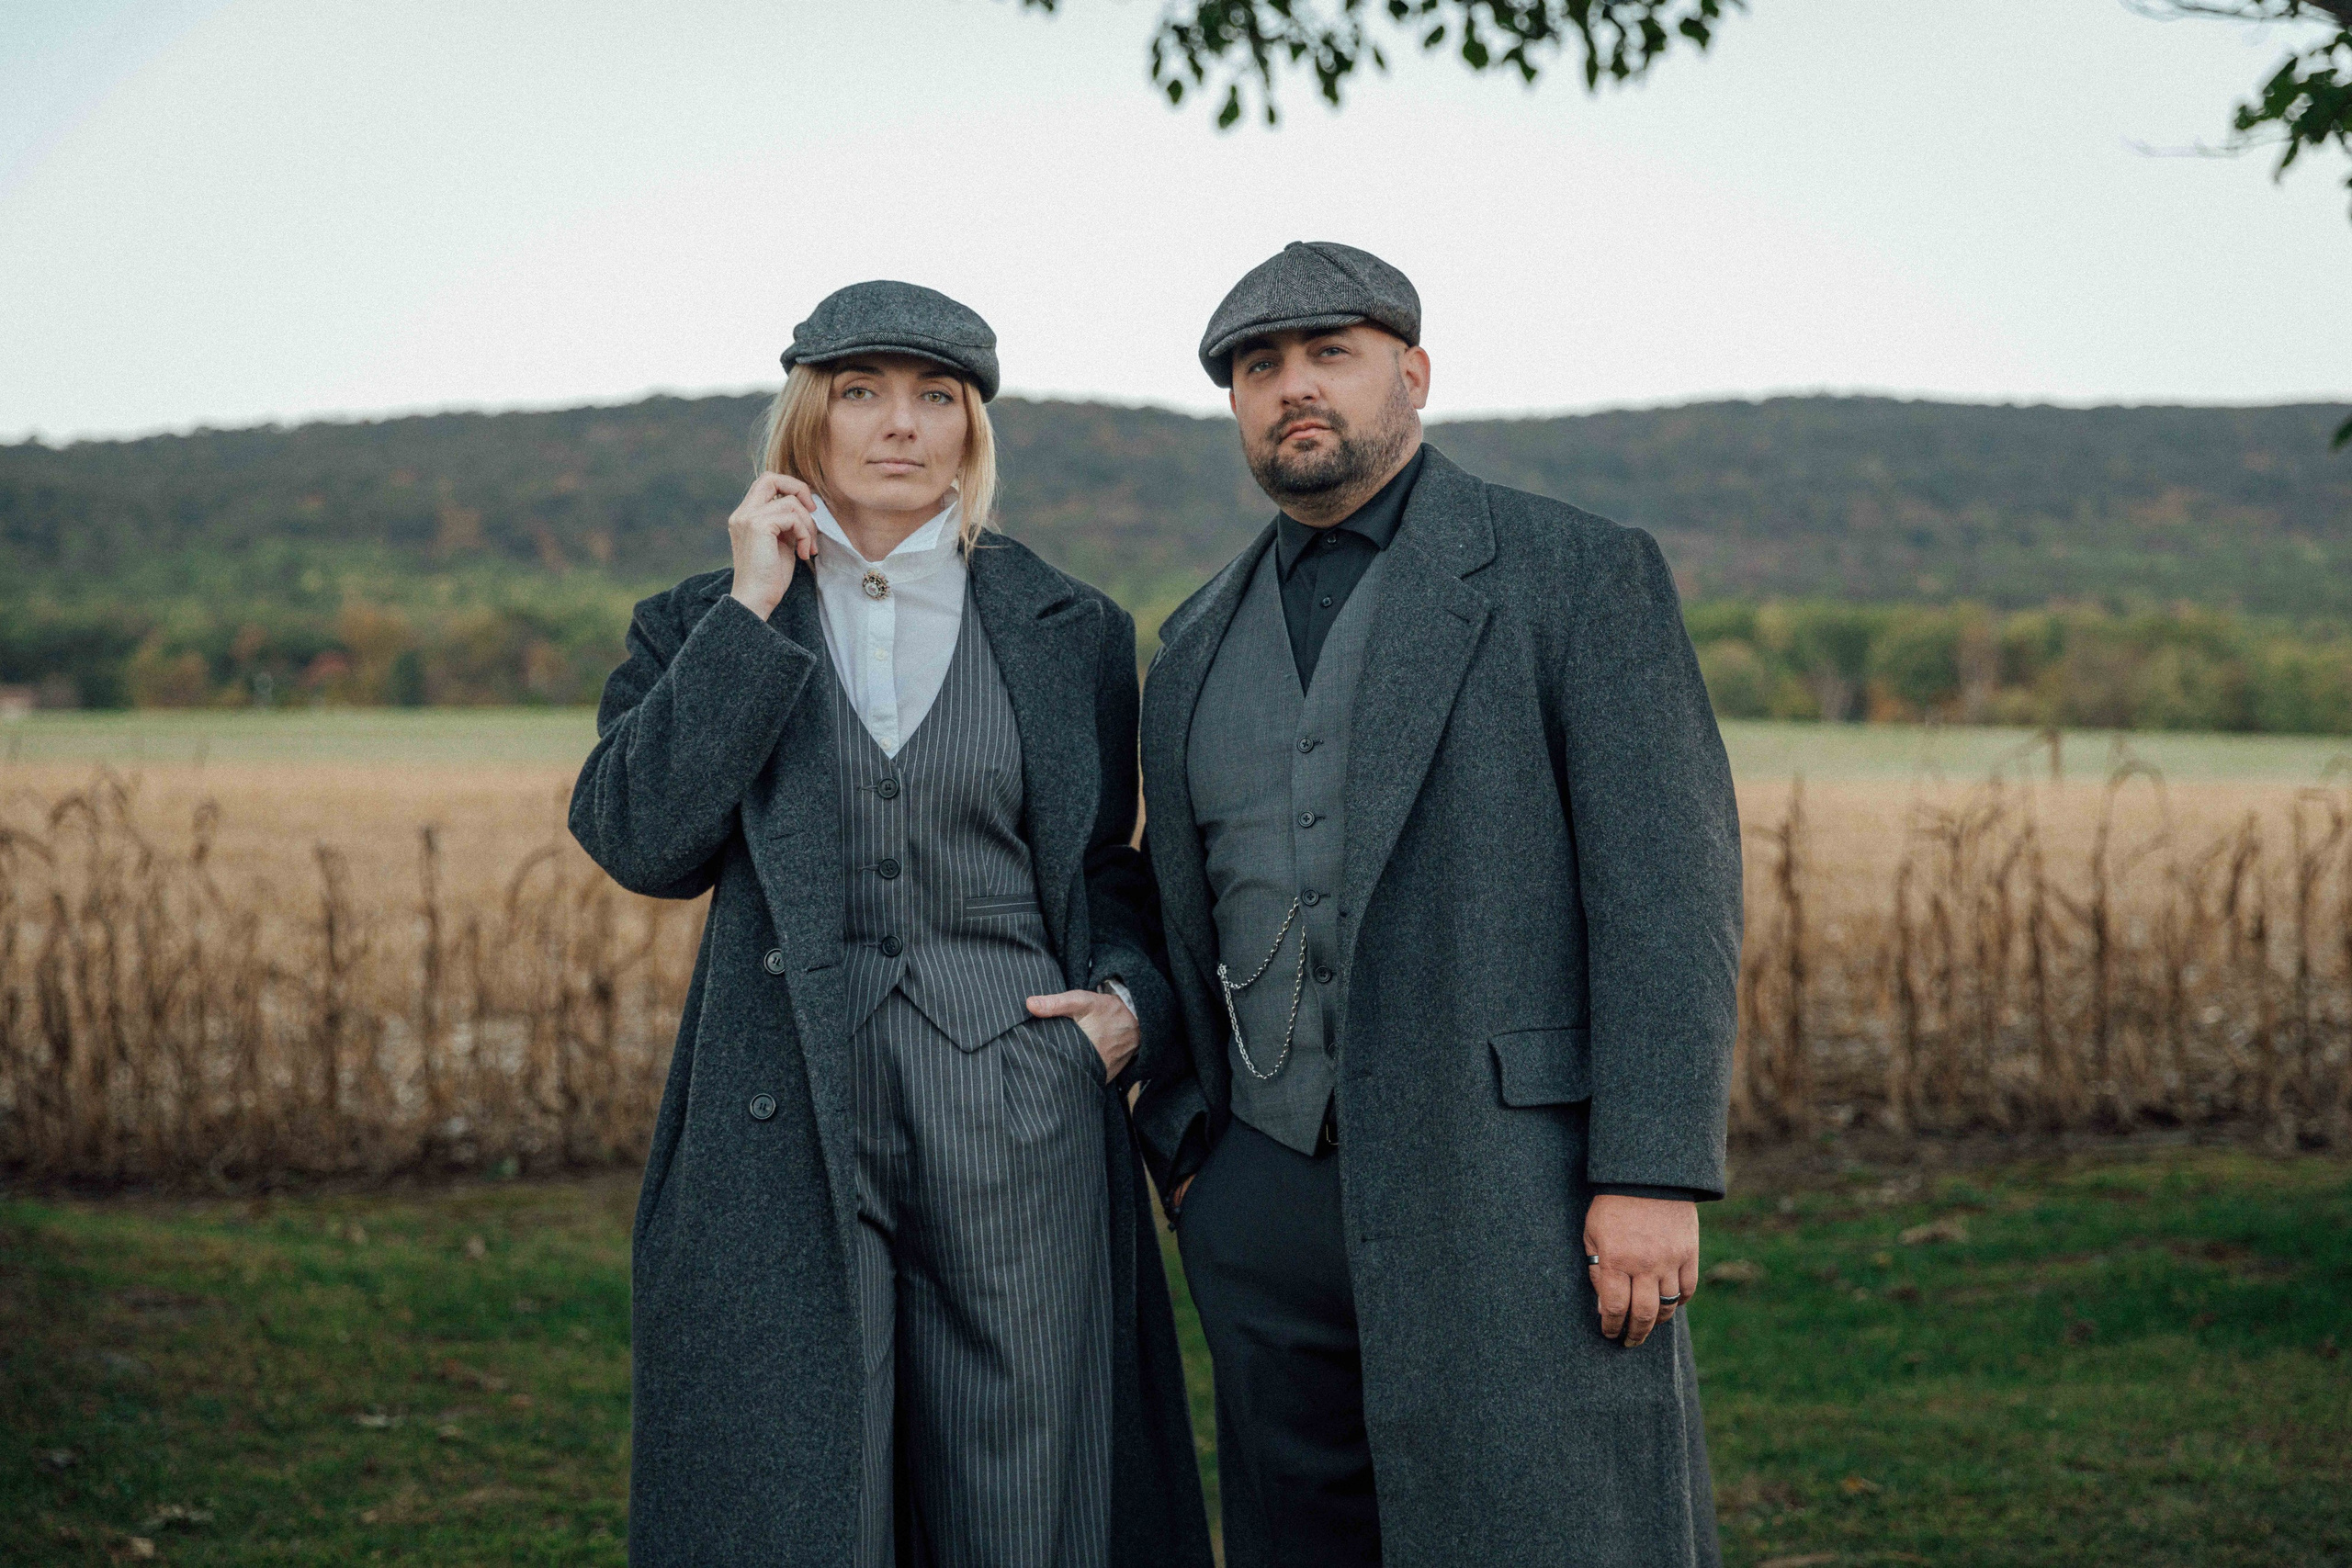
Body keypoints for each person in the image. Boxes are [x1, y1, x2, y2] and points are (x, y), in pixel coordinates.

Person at [571, 279, 1211, 1568]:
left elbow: (1108, 867)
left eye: (937, 396)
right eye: (861, 392)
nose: (900, 424)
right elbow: (640, 840)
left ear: (973, 429)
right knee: (802, 1493)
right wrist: (751, 611)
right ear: (807, 416)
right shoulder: (700, 620)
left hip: (1018, 1098)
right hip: (787, 1099)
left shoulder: (1072, 628)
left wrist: (1124, 1012)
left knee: (1025, 1496)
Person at [1131, 242, 1743, 1568]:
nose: (1294, 387)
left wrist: (1651, 1171)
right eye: (1259, 367)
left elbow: (1668, 892)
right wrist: (1190, 1149)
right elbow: (1182, 908)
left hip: (1516, 1183)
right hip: (1261, 1191)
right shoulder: (1191, 641)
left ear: (1412, 373)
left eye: (1330, 355)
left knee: (1550, 1534)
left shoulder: (1575, 574)